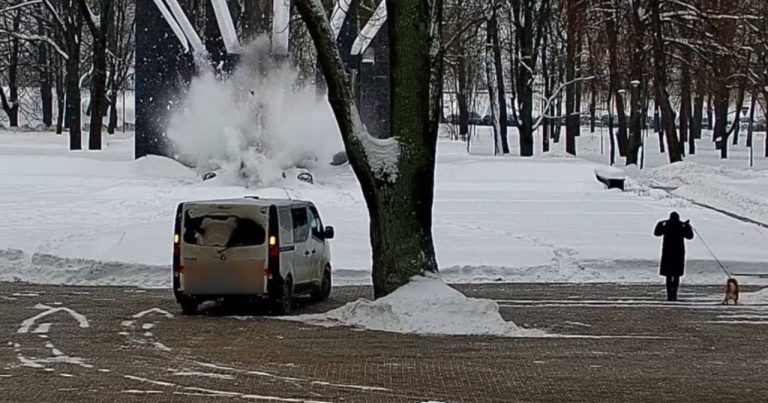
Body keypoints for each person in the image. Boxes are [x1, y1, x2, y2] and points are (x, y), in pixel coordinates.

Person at [654, 212, 694, 301]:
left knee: (668, 276)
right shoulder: (680, 226)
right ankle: (674, 295)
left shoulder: (667, 226)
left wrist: (660, 224)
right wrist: (687, 226)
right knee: (676, 276)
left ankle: (669, 295)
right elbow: (690, 236)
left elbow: (657, 233)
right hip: (678, 254)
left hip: (667, 254)